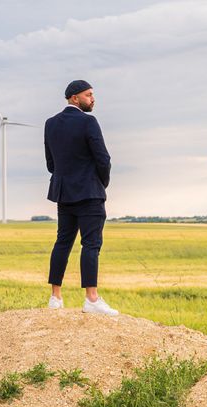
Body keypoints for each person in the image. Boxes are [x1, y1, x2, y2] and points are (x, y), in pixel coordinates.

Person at [45, 80, 118, 316]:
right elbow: (103, 158)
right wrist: (101, 182)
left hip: (64, 193)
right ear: (75, 98)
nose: (93, 99)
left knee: (62, 242)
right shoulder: (88, 122)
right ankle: (92, 298)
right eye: (88, 95)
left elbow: (50, 164)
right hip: (89, 193)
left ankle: (55, 296)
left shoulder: (51, 124)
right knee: (91, 244)